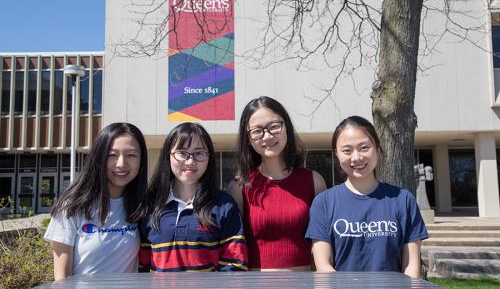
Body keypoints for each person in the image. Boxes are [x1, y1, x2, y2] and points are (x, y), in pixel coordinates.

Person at [306, 116, 429, 278]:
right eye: (347, 150)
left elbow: (411, 267)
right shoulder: (323, 203)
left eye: (364, 147)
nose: (356, 157)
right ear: (336, 154)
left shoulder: (403, 200)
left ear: (377, 148)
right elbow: (323, 267)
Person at [228, 96, 326, 271]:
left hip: (303, 284)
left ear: (286, 127)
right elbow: (233, 250)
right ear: (248, 138)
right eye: (257, 131)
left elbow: (321, 244)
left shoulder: (314, 181)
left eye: (274, 126)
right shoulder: (239, 187)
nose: (267, 136)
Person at [44, 123, 149, 280]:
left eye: (131, 155)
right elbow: (61, 278)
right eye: (112, 155)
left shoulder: (143, 206)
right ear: (99, 158)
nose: (121, 164)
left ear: (141, 161)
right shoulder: (72, 207)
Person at [139, 122, 247, 272]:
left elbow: (235, 265)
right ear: (168, 156)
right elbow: (142, 266)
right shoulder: (150, 205)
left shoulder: (224, 205)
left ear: (209, 158)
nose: (190, 161)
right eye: (182, 153)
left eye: (199, 153)